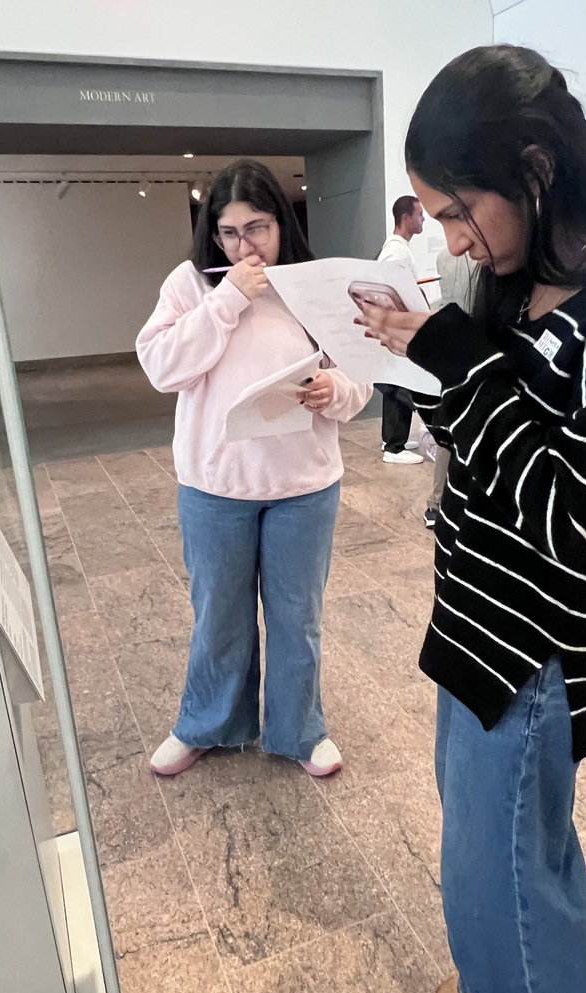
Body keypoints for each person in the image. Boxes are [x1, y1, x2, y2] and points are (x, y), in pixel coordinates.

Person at [355, 45, 586, 993]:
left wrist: (449, 355)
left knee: (517, 890)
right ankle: (491, 990)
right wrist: (422, 353)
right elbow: (491, 434)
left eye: (458, 212)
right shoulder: (529, 274)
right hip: (478, 618)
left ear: (536, 165)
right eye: (436, 220)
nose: (458, 243)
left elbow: (577, 523)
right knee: (500, 861)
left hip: (540, 644)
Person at [137, 159, 371, 779]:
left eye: (258, 228)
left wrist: (334, 391)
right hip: (215, 483)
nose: (245, 245)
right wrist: (227, 299)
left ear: (282, 224)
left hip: (304, 484)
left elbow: (359, 376)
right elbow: (163, 368)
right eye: (230, 232)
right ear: (214, 235)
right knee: (220, 613)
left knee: (298, 615)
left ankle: (299, 729)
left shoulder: (312, 286)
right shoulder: (191, 284)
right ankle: (206, 723)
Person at [423, 250, 478, 528]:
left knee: (450, 432)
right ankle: (439, 503)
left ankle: (436, 503)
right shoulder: (476, 261)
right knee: (454, 434)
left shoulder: (445, 258)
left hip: (453, 352)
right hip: (470, 351)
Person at [376, 196, 425, 465]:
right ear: (406, 217)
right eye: (419, 215)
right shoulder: (397, 251)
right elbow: (388, 289)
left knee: (397, 381)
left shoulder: (397, 248)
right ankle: (394, 447)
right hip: (397, 327)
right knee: (399, 383)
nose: (423, 220)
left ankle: (393, 439)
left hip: (396, 326)